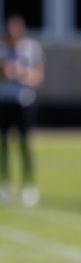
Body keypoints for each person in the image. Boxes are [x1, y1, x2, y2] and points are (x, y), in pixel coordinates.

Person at [0, 15, 44, 207]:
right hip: (4, 101)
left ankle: (28, 185)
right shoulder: (2, 49)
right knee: (4, 145)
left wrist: (20, 73)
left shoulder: (31, 48)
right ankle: (5, 184)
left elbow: (38, 76)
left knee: (25, 144)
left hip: (23, 101)